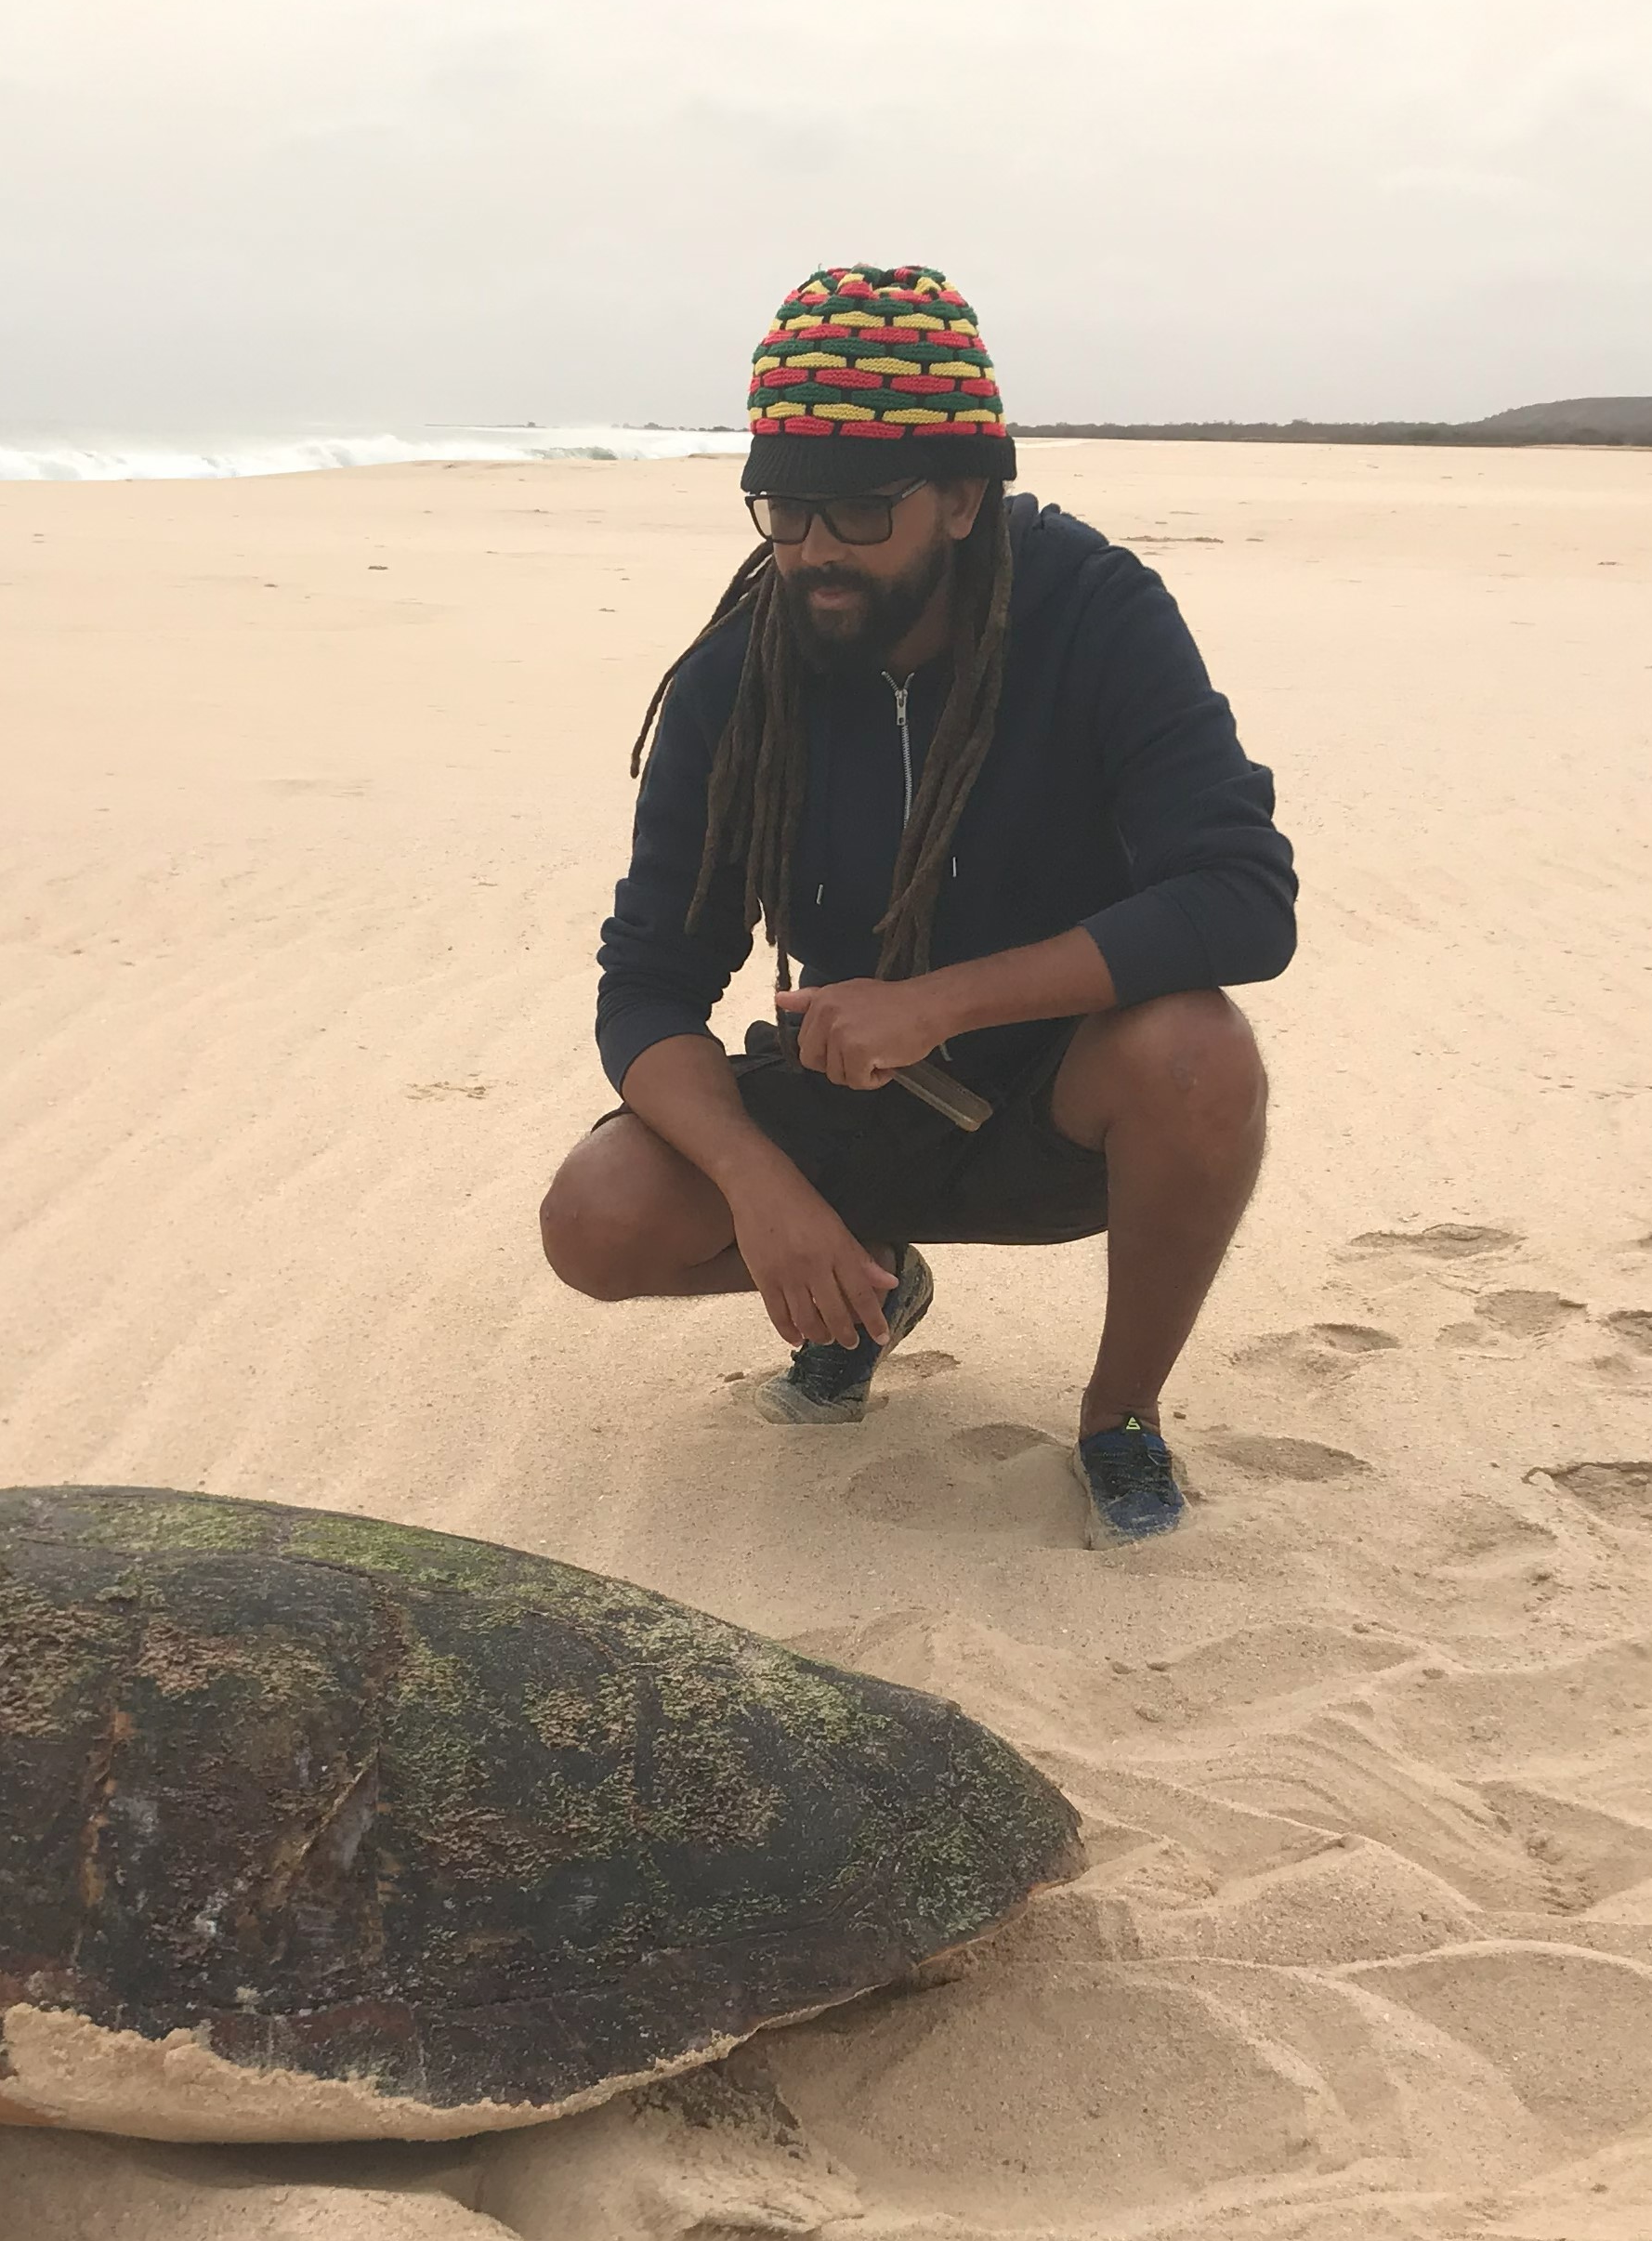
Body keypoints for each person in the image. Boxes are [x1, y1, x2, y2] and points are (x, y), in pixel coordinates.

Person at [540, 263, 1295, 1543]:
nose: (813, 551)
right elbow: (650, 982)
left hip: (1065, 1100)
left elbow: (1242, 898)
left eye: (857, 511)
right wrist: (760, 1185)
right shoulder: (744, 671)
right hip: (852, 1102)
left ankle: (1120, 1417)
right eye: (782, 509)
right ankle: (866, 1291)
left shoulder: (1094, 614)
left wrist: (939, 1003)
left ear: (959, 498)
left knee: (1199, 1055)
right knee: (595, 1219)